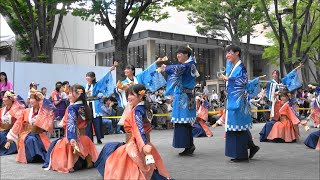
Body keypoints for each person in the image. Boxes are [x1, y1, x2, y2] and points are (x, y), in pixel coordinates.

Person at [95, 84, 171, 179]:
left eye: (131, 95)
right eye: (128, 95)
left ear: (140, 96)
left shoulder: (137, 111)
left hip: (137, 143)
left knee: (110, 151)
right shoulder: (146, 108)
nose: (129, 97)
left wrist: (143, 146)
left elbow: (138, 129)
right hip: (144, 142)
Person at [43, 84, 98, 172]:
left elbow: (71, 124)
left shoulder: (72, 108)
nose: (68, 96)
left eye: (70, 93)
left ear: (78, 95)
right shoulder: (85, 107)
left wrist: (72, 139)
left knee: (54, 146)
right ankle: (88, 161)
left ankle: (71, 164)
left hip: (73, 136)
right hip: (85, 138)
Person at [218, 45, 259, 162]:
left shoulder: (241, 67)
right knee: (238, 125)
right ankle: (251, 146)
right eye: (226, 53)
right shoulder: (233, 67)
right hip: (234, 98)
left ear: (237, 53)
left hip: (238, 99)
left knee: (237, 126)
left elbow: (243, 81)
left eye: (229, 53)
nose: (227, 55)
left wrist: (228, 79)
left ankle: (241, 154)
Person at [158, 45, 199, 156]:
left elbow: (179, 68)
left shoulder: (189, 65)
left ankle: (188, 145)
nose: (178, 56)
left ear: (186, 55)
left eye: (180, 53)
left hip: (184, 96)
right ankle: (189, 145)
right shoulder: (192, 64)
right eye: (177, 54)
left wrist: (165, 68)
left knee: (183, 122)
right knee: (185, 122)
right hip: (187, 95)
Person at [6, 90, 54, 163]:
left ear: (39, 101)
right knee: (30, 139)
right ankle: (33, 157)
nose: (31, 101)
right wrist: (10, 137)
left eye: (34, 99)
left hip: (39, 134)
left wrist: (43, 99)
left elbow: (52, 109)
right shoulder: (26, 111)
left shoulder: (43, 112)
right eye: (30, 98)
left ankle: (39, 156)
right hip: (27, 134)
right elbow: (18, 122)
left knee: (45, 146)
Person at [85, 66, 116, 144]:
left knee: (97, 122)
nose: (87, 78)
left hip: (95, 104)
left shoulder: (97, 84)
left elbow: (104, 79)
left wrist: (110, 71)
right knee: (88, 122)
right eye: (86, 76)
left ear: (93, 78)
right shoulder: (84, 86)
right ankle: (89, 139)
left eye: (89, 76)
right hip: (88, 105)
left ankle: (99, 138)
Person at [0, 91, 25, 156]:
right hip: (2, 130)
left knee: (2, 136)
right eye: (3, 97)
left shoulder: (16, 109)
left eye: (5, 97)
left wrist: (17, 98)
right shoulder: (2, 110)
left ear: (10, 99)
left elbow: (23, 105)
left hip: (12, 132)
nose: (3, 99)